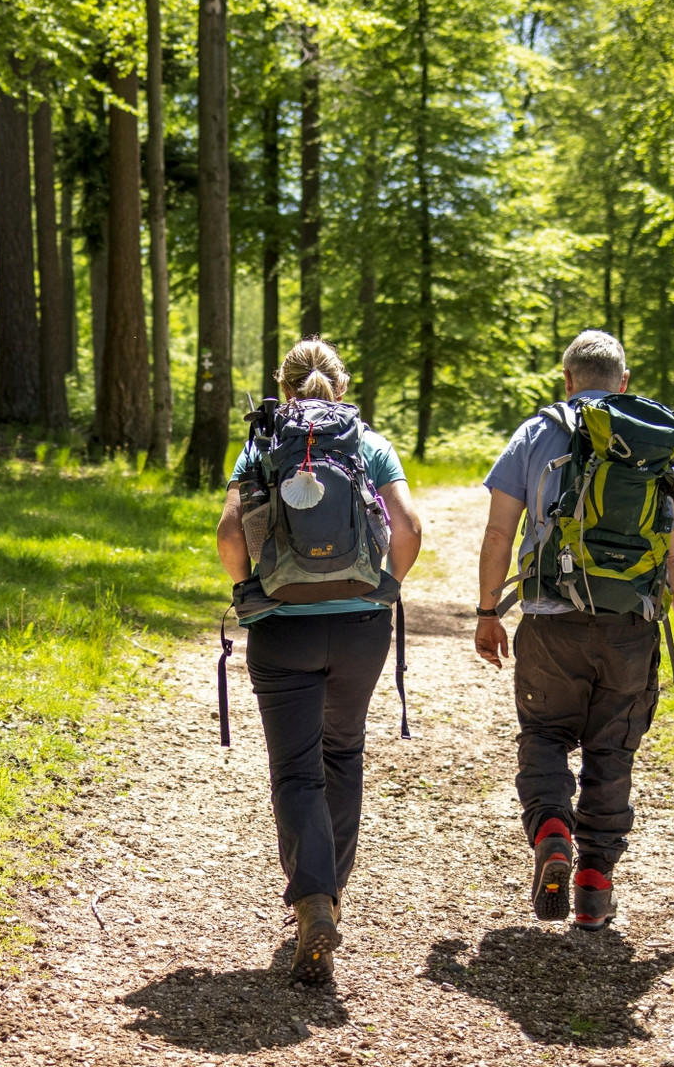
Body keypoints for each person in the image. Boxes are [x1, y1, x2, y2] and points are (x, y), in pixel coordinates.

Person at [473, 330, 674, 930]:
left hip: (551, 625)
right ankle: (595, 883)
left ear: (568, 378)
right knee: (613, 749)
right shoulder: (657, 444)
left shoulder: (537, 431)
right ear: (623, 383)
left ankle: (552, 829)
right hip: (632, 627)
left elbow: (500, 532)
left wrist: (484, 612)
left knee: (545, 733)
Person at [215, 338, 423, 984]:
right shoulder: (369, 442)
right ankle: (331, 897)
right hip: (362, 628)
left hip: (282, 630)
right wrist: (385, 585)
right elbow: (410, 529)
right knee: (344, 754)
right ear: (341, 384)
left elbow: (228, 534)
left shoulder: (263, 441)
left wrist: (248, 589)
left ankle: (310, 899)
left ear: (283, 388)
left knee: (296, 770)